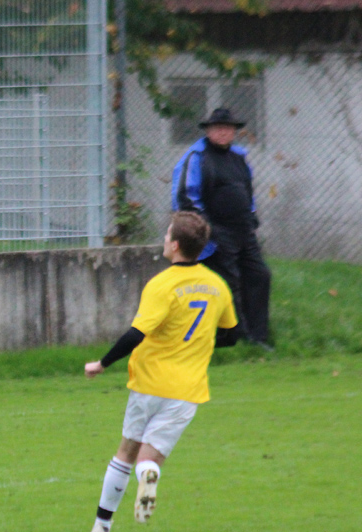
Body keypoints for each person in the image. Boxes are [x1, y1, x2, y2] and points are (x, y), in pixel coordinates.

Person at [84, 211, 238, 532]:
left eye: (167, 235)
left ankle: (102, 525)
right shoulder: (217, 286)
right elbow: (231, 335)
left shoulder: (162, 285)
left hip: (149, 384)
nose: (164, 240)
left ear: (176, 245)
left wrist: (102, 363)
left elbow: (135, 334)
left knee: (126, 452)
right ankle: (148, 477)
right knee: (148, 461)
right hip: (187, 392)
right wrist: (197, 343)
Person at [171, 107, 272, 349]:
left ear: (235, 132)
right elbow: (185, 198)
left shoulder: (239, 157)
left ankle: (258, 338)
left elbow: (247, 191)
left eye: (228, 128)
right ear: (208, 131)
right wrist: (208, 230)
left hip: (244, 232)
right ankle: (234, 337)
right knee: (230, 283)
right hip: (215, 234)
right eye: (218, 128)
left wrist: (252, 216)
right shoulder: (196, 157)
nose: (224, 132)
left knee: (259, 276)